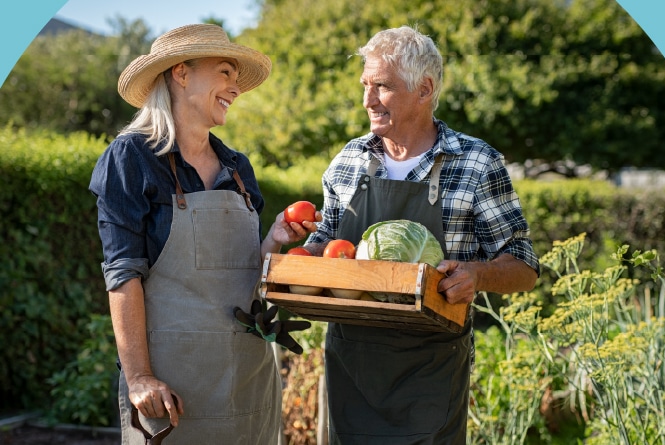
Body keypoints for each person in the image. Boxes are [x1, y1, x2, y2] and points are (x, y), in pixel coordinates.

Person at [303, 25, 541, 444]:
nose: (367, 100)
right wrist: (303, 251)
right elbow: (324, 244)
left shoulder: (475, 162)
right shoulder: (348, 160)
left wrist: (477, 275)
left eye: (382, 86)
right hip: (351, 369)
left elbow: (524, 265)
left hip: (430, 372)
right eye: (365, 85)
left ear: (424, 89)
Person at [89, 24, 316, 445]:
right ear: (181, 73)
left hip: (248, 384)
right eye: (225, 72)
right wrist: (139, 377)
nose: (235, 87)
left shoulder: (238, 167)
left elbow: (242, 272)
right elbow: (122, 274)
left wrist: (275, 240)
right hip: (174, 393)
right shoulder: (132, 158)